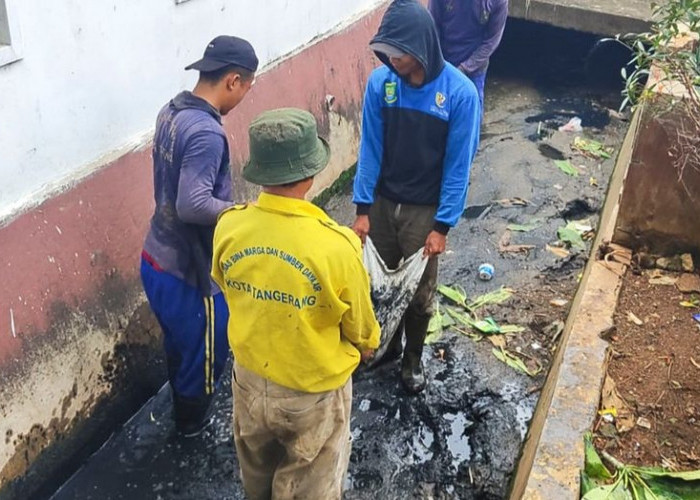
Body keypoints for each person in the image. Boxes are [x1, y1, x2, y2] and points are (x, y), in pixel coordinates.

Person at [212, 108, 381, 499]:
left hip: (250, 381)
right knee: (313, 482)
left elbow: (225, 281)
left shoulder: (228, 226)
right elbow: (361, 329)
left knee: (256, 477)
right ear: (310, 174)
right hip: (313, 393)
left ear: (258, 171)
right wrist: (368, 345)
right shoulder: (336, 246)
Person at [352, 0, 481, 394]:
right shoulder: (382, 84)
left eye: (398, 53)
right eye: (386, 52)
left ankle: (412, 361)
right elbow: (370, 149)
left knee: (419, 294)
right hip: (383, 202)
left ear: (422, 48)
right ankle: (388, 348)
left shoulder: (459, 95)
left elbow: (458, 166)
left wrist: (442, 225)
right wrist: (362, 208)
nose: (391, 61)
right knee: (380, 285)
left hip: (425, 210)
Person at [140, 36, 258, 437]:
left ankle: (181, 412)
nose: (244, 96)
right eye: (246, 87)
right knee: (207, 357)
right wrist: (243, 212)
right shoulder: (208, 133)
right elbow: (193, 205)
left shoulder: (170, 111)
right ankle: (190, 433)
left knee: (179, 347)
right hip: (190, 273)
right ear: (232, 80)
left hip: (156, 258)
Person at [429, 0, 508, 110]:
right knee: (438, 111)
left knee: (472, 114)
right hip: (444, 62)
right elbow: (433, 27)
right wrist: (439, 63)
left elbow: (491, 41)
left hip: (475, 68)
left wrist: (465, 68)